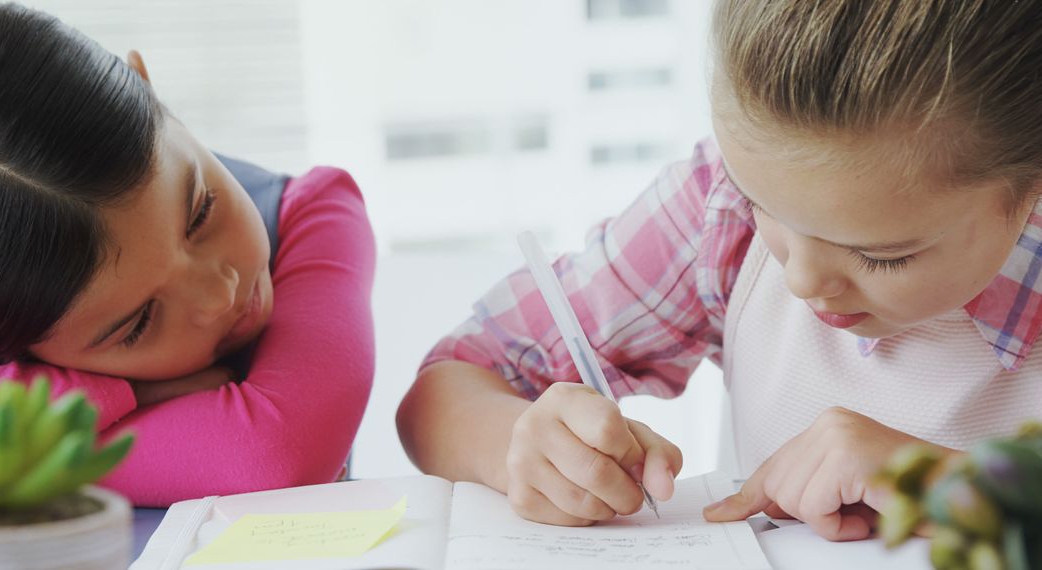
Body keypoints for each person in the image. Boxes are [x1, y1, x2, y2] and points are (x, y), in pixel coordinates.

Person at [397, 0, 1042, 541]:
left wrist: (965, 489)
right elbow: (445, 391)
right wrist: (526, 447)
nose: (802, 281)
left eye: (881, 255)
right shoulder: (719, 212)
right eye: (768, 206)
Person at [0, 3, 375, 507]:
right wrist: (130, 394)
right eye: (138, 323)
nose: (219, 293)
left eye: (201, 213)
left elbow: (276, 451)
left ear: (150, 88)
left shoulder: (313, 214)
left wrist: (22, 462)